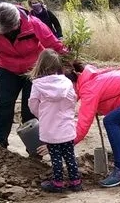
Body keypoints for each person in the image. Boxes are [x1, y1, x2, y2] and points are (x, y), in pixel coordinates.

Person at [0, 3, 66, 149]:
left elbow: (54, 45)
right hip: (7, 69)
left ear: (17, 22)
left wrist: (69, 61)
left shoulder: (34, 24)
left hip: (34, 70)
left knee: (30, 109)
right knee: (3, 106)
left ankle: (34, 149)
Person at [28, 50, 81, 194]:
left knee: (55, 157)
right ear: (58, 66)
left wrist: (42, 115)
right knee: (70, 155)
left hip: (50, 128)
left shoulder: (37, 85)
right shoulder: (67, 82)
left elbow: (33, 104)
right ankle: (75, 182)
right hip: (66, 126)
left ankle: (58, 183)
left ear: (40, 65)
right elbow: (73, 100)